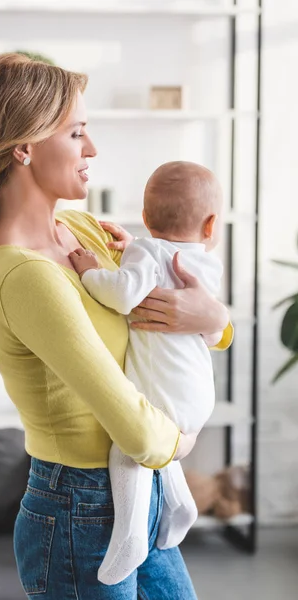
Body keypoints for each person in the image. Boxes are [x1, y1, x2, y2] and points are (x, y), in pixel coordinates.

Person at [0, 53, 232, 599]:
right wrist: (181, 442)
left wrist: (218, 320)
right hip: (80, 507)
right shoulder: (23, 274)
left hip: (139, 490)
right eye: (76, 133)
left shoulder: (83, 231)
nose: (91, 149)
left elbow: (170, 316)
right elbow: (134, 427)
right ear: (24, 147)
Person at [69, 161, 227, 585]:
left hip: (166, 390)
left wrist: (89, 271)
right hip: (196, 390)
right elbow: (213, 328)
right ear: (210, 226)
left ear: (143, 217)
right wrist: (137, 249)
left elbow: (122, 296)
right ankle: (180, 503)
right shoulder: (208, 264)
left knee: (130, 446)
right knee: (162, 440)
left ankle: (131, 535)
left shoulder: (145, 251)